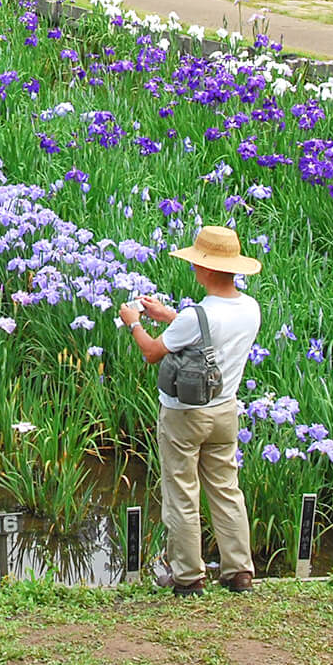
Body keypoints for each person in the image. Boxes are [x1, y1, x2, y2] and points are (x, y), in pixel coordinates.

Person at [117, 224, 263, 596]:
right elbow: (204, 333)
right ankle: (239, 571)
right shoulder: (250, 307)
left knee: (182, 491)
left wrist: (134, 323)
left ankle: (188, 576)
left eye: (197, 262)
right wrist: (169, 315)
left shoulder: (196, 315)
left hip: (185, 415)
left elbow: (152, 352)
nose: (193, 268)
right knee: (226, 489)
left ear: (208, 269)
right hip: (225, 411)